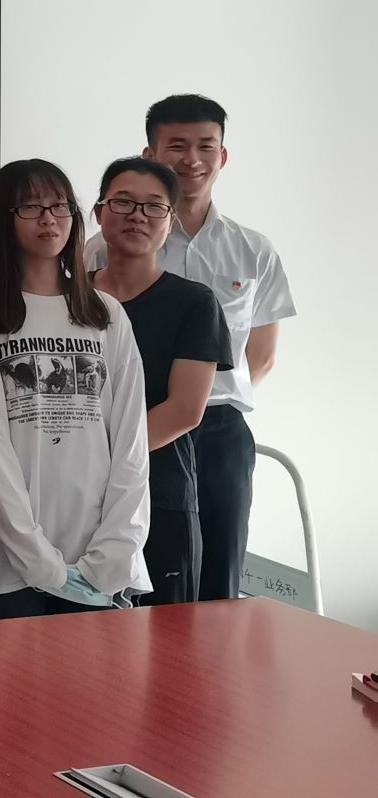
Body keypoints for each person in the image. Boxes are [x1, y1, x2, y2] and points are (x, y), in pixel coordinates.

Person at [95, 94, 295, 601]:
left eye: (206, 146)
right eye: (177, 145)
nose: (192, 159)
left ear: (222, 155)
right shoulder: (105, 245)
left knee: (218, 574)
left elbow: (262, 355)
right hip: (129, 422)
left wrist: (200, 399)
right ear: (150, 153)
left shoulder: (253, 249)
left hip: (218, 430)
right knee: (130, 567)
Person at [0, 159, 150, 620]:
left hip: (101, 557)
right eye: (30, 207)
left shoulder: (105, 313)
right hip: (9, 562)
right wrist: (36, 557)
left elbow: (131, 442)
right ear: (3, 220)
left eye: (59, 205)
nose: (48, 219)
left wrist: (115, 545)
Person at [91, 157, 232, 605]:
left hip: (160, 496)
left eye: (154, 206)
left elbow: (184, 410)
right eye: (123, 202)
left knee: (160, 643)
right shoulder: (68, 298)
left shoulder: (194, 303)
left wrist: (97, 462)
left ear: (171, 222)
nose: (137, 215)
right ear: (99, 212)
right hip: (71, 502)